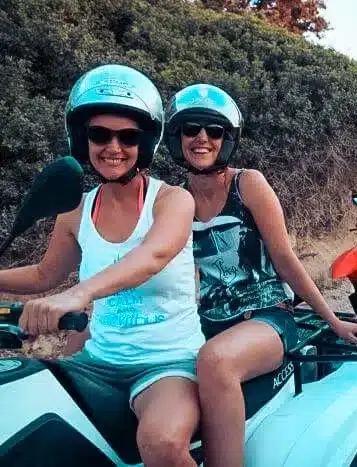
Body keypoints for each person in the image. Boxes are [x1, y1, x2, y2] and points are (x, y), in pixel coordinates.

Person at [0, 64, 205, 467]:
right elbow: (45, 275)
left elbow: (153, 256)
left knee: (162, 444)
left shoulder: (173, 201)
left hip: (168, 361)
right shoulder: (77, 209)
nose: (113, 146)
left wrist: (76, 295)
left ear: (145, 142)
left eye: (128, 136)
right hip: (97, 359)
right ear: (82, 139)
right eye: (99, 134)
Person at [164, 83, 357, 467]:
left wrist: (333, 321)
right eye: (191, 129)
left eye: (214, 130)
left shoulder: (248, 184)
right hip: (206, 321)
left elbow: (285, 258)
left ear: (227, 138)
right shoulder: (176, 200)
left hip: (267, 317)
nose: (202, 138)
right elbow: (163, 268)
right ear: (176, 137)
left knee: (215, 362)